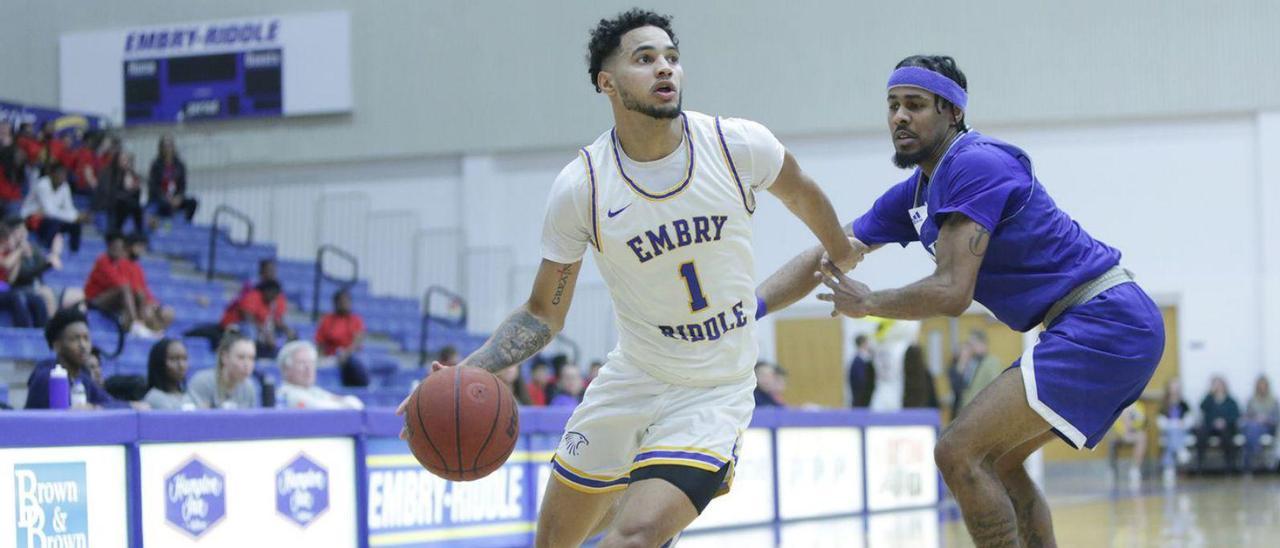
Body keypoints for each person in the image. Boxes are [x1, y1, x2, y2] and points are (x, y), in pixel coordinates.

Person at [395, 10, 858, 547]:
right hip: (632, 379)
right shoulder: (584, 188)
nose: (665, 69)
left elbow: (802, 191)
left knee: (634, 537)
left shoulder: (736, 145)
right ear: (606, 82)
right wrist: (462, 373)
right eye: (645, 58)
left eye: (672, 58)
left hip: (714, 392)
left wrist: (843, 253)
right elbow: (544, 311)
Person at [763, 55, 1165, 545]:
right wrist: (750, 309)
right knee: (998, 461)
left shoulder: (976, 163)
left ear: (952, 112)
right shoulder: (915, 193)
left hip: (1104, 317)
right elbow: (832, 252)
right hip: (1084, 324)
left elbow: (952, 292)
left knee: (958, 452)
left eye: (914, 104)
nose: (899, 117)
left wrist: (870, 303)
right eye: (892, 105)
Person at [25, 307, 114, 409]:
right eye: (74, 339)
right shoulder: (47, 378)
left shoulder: (83, 378)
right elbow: (57, 418)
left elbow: (110, 404)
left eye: (86, 338)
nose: (83, 345)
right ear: (57, 346)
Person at [21, 162, 87, 252]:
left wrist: (76, 216)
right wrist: (75, 216)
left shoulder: (65, 186)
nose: (62, 177)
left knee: (75, 225)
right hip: (31, 217)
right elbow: (49, 211)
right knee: (53, 223)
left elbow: (69, 208)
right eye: (59, 174)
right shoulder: (42, 184)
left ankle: (74, 253)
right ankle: (46, 252)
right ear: (51, 174)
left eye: (64, 174)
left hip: (51, 218)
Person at [276, 341, 363, 410]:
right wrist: (344, 404)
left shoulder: (314, 390)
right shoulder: (285, 394)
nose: (308, 369)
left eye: (311, 363)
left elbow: (355, 403)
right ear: (286, 369)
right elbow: (321, 409)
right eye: (302, 363)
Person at [0, 219, 53, 327]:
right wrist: (19, 250)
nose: (13, 241)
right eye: (11, 238)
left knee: (38, 300)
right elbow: (5, 264)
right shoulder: (7, 254)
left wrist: (19, 258)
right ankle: (23, 331)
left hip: (4, 290)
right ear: (4, 239)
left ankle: (43, 331)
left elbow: (11, 280)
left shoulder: (10, 254)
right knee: (17, 296)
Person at [186, 333, 259, 409]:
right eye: (241, 357)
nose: (247, 364)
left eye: (251, 358)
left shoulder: (249, 388)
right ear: (224, 357)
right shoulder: (202, 382)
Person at [316, 288, 369, 387]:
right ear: (335, 303)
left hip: (352, 356)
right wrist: (321, 357)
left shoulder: (356, 319)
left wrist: (346, 354)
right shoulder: (327, 320)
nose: (345, 304)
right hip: (332, 357)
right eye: (341, 301)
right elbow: (320, 343)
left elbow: (358, 340)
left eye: (347, 301)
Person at [948, 330, 1004, 416]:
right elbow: (958, 386)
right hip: (967, 410)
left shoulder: (992, 362)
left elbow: (996, 388)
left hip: (983, 411)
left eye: (972, 344)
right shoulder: (972, 362)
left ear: (982, 343)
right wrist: (962, 362)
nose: (970, 347)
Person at [147, 134, 198, 221]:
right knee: (165, 205)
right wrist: (166, 198)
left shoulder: (180, 164)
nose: (168, 148)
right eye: (166, 146)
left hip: (175, 197)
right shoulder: (156, 165)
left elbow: (182, 185)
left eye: (170, 145)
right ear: (161, 148)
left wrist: (179, 197)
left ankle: (186, 224)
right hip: (161, 198)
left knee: (192, 202)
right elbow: (153, 187)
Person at [1196, 376, 1240, 473]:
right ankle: (1200, 463)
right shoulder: (1209, 400)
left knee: (1227, 435)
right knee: (1201, 433)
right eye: (1216, 385)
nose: (1218, 387)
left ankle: (1229, 465)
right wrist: (1209, 393)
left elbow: (1235, 415)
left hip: (1226, 427)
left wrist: (1224, 422)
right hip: (1211, 427)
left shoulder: (1230, 401)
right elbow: (1202, 407)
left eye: (1220, 385)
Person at [1156, 377, 1193, 483]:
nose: (1175, 390)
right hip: (1168, 430)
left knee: (1173, 438)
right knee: (1173, 432)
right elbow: (1160, 421)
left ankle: (1168, 467)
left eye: (1177, 387)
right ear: (1169, 389)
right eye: (1173, 387)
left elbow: (1190, 419)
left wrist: (1183, 423)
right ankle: (1181, 450)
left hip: (1182, 431)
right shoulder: (1164, 404)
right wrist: (1174, 424)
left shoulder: (1184, 403)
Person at [1241, 375, 1278, 472]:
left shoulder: (1273, 401)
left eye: (1263, 385)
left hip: (1268, 427)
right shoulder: (1251, 400)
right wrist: (1255, 418)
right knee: (1253, 427)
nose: (1262, 387)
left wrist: (1265, 419)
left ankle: (1252, 457)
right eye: (1260, 385)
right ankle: (1257, 452)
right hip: (1254, 425)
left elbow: (1276, 418)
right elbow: (1246, 416)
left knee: (1252, 429)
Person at [143, 338, 190, 410]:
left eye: (184, 358)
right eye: (174, 359)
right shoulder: (156, 398)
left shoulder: (190, 395)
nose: (181, 365)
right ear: (159, 363)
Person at [1108, 403, 1147, 485]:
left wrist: (1133, 426)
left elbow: (1141, 422)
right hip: (1118, 434)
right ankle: (1111, 469)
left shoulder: (1137, 405)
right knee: (1111, 437)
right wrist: (1123, 432)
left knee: (1142, 437)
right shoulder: (1118, 403)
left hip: (1132, 433)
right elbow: (1112, 423)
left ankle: (1135, 469)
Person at [901, 344, 938, 409]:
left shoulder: (903, 374)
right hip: (923, 410)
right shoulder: (925, 373)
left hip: (908, 410)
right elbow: (933, 397)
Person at [848, 333, 875, 407]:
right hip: (860, 396)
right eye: (866, 343)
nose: (868, 345)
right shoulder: (857, 361)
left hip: (866, 395)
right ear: (862, 344)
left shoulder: (867, 358)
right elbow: (860, 380)